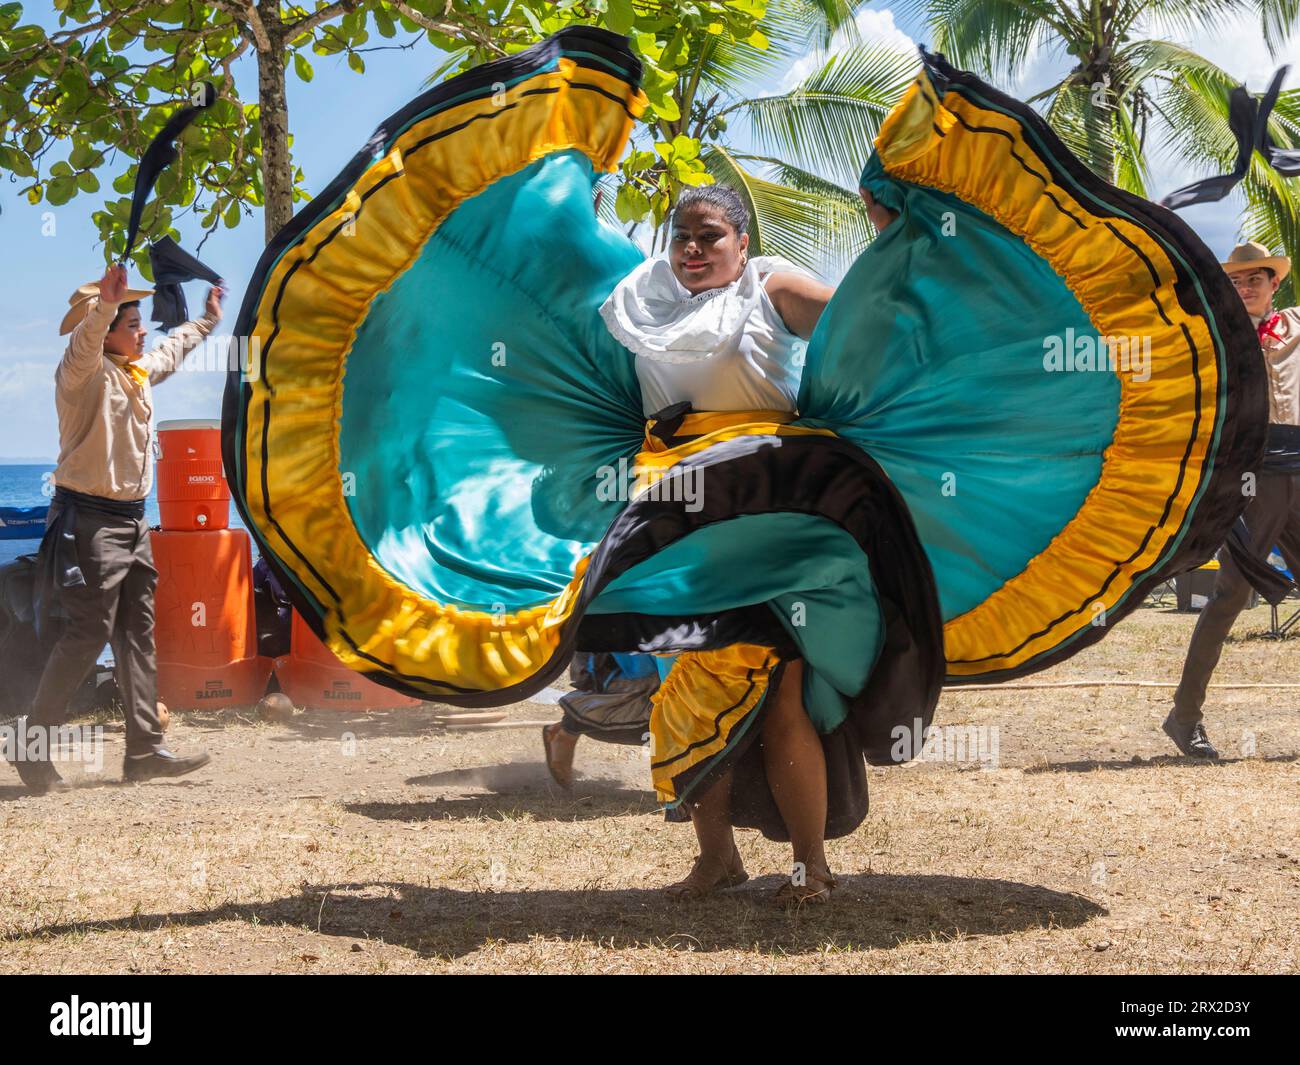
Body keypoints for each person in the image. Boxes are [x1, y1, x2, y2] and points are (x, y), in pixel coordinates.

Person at [7, 264, 222, 794]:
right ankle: (31, 748)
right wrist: (103, 306)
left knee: (136, 631)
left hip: (132, 522)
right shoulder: (81, 372)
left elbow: (165, 354)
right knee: (87, 634)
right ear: (104, 330)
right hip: (88, 521)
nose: (142, 329)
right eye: (131, 322)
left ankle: (146, 750)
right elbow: (83, 345)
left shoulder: (134, 372)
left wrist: (206, 324)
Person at [1165, 242, 1300, 760]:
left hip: (1299, 469)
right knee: (1226, 598)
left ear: (1274, 286)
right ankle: (1184, 717)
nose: (1245, 289)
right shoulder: (1212, 337)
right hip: (1252, 474)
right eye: (1236, 281)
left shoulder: (1293, 326)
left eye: (1255, 281)